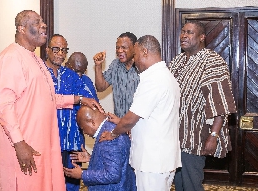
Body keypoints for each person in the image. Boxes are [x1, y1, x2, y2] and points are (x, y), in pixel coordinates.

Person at [0, 10, 102, 191]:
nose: (44, 25)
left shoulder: (35, 59)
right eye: (37, 22)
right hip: (24, 146)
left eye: (43, 22)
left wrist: (80, 99)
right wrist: (19, 143)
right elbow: (5, 106)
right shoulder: (11, 57)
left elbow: (48, 98)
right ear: (22, 28)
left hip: (41, 145)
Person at [100, 35, 181, 191]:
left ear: (145, 52)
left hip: (152, 161)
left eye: (136, 55)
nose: (135, 60)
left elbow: (131, 119)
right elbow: (152, 117)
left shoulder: (153, 80)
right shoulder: (167, 76)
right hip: (162, 158)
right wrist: (121, 121)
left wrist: (113, 134)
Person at [169, 21, 236, 191]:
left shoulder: (212, 61)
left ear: (201, 37)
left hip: (196, 137)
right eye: (183, 31)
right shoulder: (177, 61)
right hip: (175, 138)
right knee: (179, 184)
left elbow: (220, 103)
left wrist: (213, 135)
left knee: (192, 184)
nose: (184, 35)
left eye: (189, 32)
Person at [44, 35, 99, 191]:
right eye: (56, 49)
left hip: (72, 143)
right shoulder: (39, 73)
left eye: (64, 50)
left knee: (71, 184)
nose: (60, 53)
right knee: (48, 184)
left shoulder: (72, 76)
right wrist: (77, 99)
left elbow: (92, 103)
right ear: (47, 50)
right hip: (48, 142)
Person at [63, 105, 137, 191]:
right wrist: (91, 158)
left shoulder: (106, 136)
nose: (85, 132)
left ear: (92, 122)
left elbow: (112, 175)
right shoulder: (111, 128)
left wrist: (82, 174)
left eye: (83, 128)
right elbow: (116, 162)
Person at [93, 32, 139, 118]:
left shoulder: (142, 67)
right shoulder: (115, 65)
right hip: (119, 125)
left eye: (124, 47)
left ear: (134, 48)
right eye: (117, 48)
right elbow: (100, 87)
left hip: (138, 125)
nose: (120, 51)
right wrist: (98, 65)